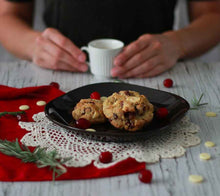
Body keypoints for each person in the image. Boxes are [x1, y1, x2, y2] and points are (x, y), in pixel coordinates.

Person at [0, 0, 220, 78]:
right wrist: (34, 45)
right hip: (61, 80)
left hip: (161, 78)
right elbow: (7, 16)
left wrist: (178, 43)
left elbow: (213, 16)